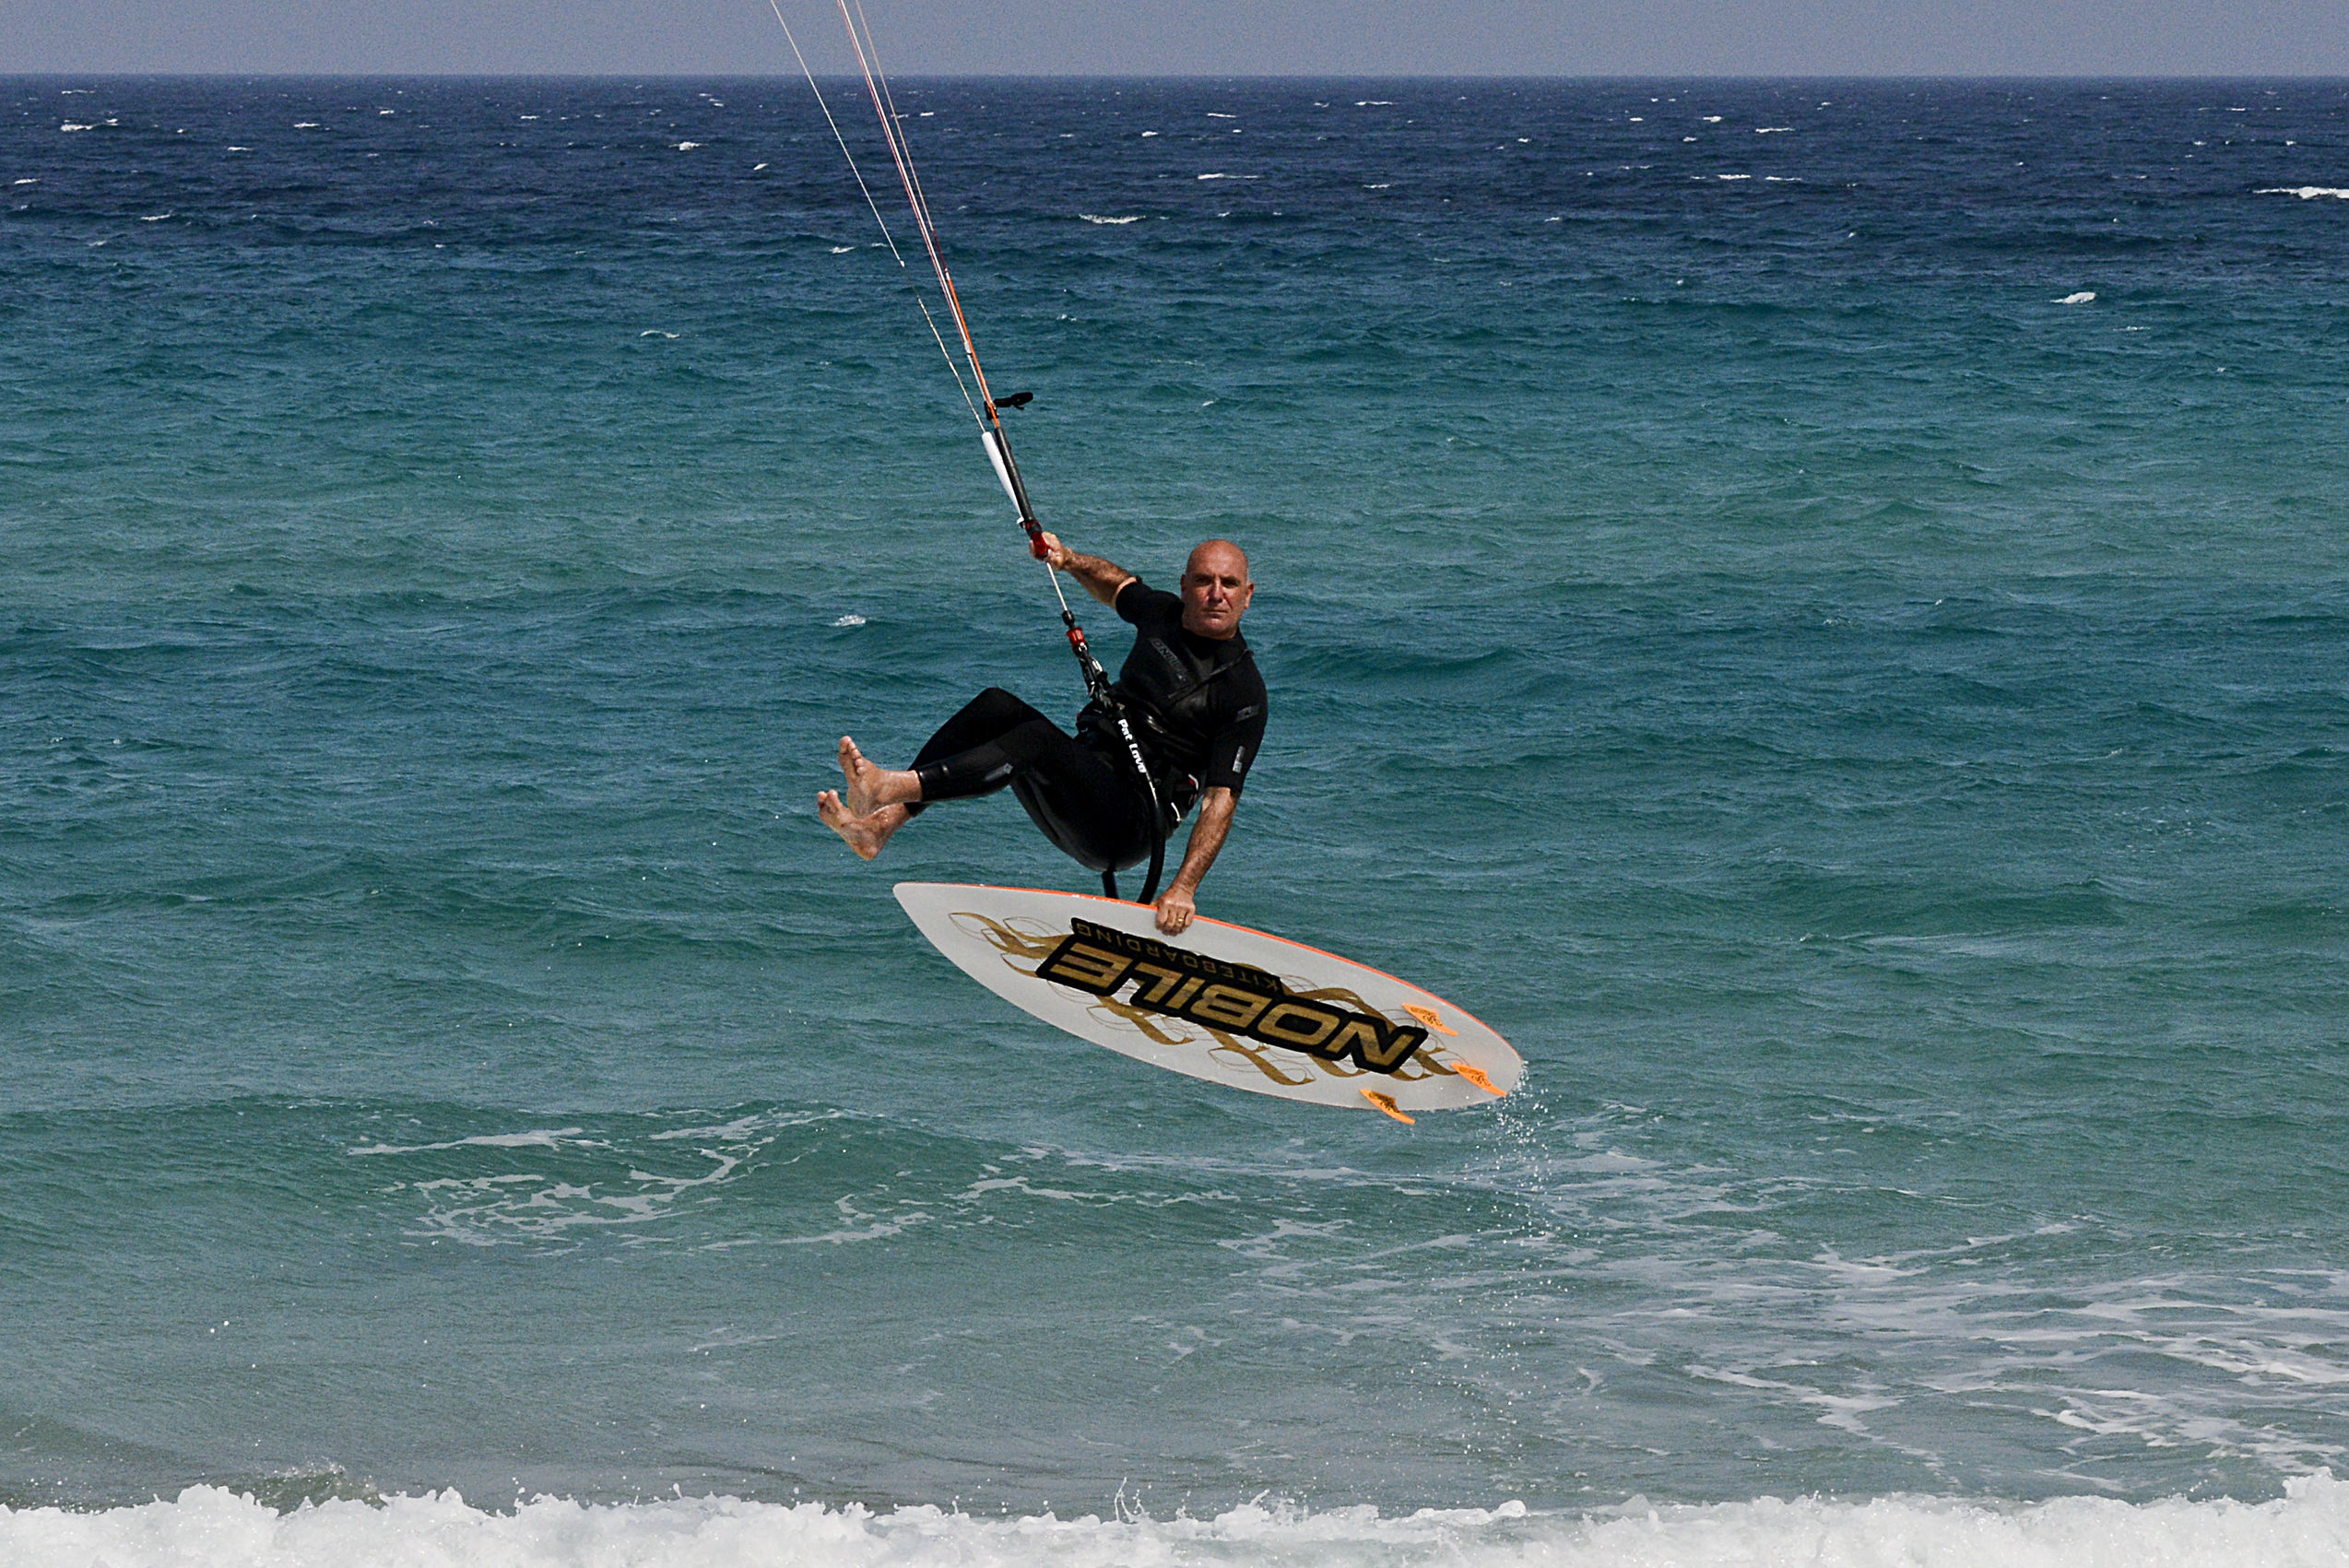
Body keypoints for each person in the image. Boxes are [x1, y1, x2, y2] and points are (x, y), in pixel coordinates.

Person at [819, 536, 1266, 937]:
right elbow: (1118, 585)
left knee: (1033, 739)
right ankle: (878, 827)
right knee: (997, 706)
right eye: (1205, 581)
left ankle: (891, 787)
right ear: (1185, 585)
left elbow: (1219, 800)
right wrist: (1067, 558)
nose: (1215, 594)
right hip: (1089, 781)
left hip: (1128, 825)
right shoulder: (1164, 614)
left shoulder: (1241, 690)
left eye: (1229, 584)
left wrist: (1182, 889)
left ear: (1247, 597)